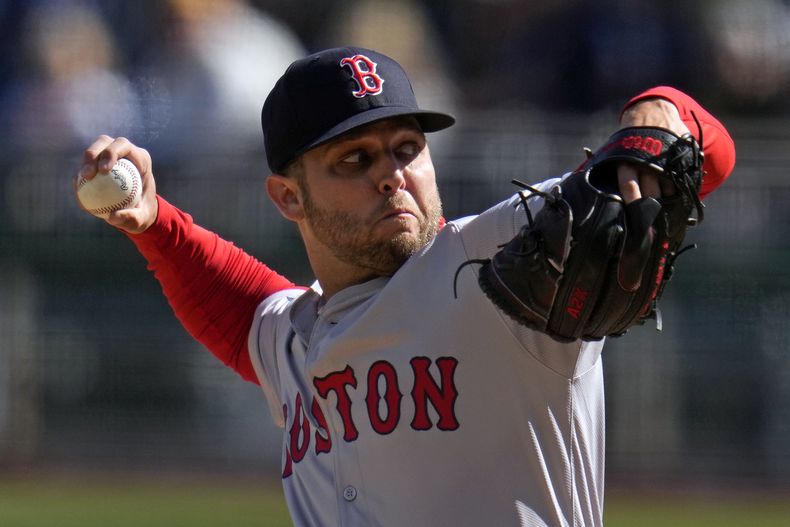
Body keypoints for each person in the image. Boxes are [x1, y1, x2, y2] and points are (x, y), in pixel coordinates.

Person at [75, 47, 735, 526]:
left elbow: (708, 153)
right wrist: (155, 224)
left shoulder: (496, 253)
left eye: (406, 148)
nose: (391, 174)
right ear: (287, 197)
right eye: (354, 159)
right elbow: (245, 311)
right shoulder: (294, 334)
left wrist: (657, 115)